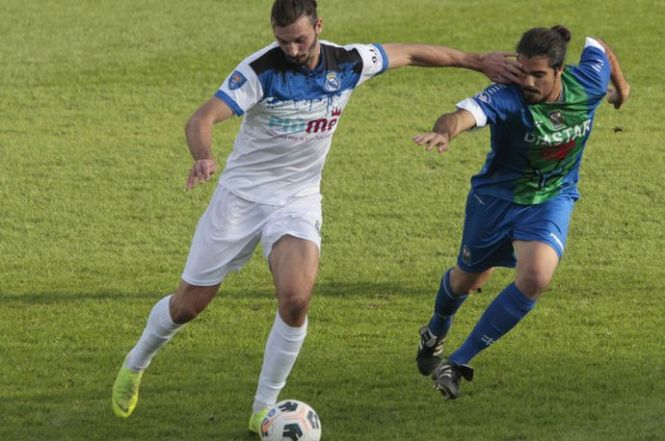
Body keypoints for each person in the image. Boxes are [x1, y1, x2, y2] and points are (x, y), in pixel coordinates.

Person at [111, 0, 524, 432]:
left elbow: (411, 53)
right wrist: (204, 156)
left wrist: (478, 62)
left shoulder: (347, 61)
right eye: (282, 40)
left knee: (295, 300)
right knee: (188, 305)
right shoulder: (260, 71)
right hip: (241, 200)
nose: (291, 49)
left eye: (301, 39)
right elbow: (202, 118)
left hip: (297, 200)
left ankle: (262, 411)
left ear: (319, 27)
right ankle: (136, 363)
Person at [412, 25, 629, 399]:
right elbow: (461, 116)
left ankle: (458, 362)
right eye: (523, 70)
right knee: (468, 281)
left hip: (552, 198)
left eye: (538, 74)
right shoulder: (507, 95)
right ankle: (435, 331)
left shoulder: (589, 82)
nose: (527, 81)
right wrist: (445, 133)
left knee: (535, 277)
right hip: (496, 201)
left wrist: (620, 89)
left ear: (561, 71)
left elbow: (598, 45)